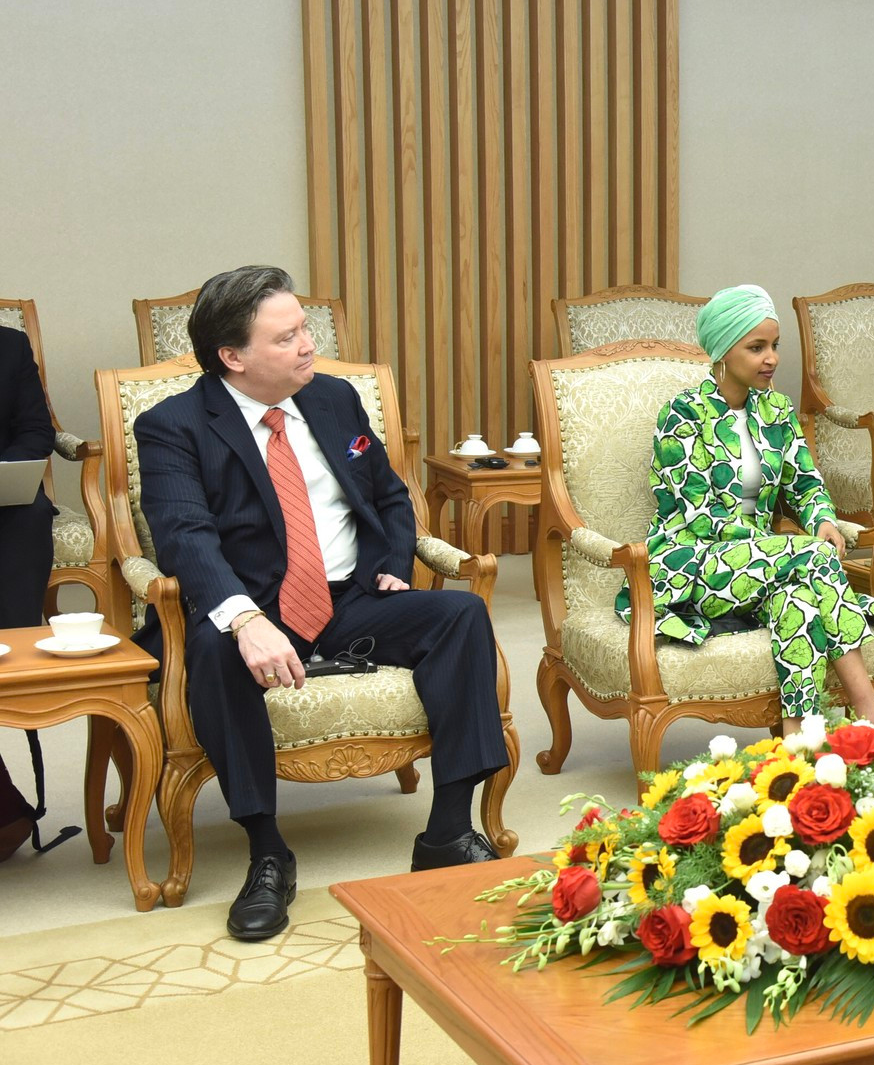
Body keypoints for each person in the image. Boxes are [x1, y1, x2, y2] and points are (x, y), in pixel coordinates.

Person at [135, 266, 511, 942]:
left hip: (350, 600)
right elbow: (184, 538)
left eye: (306, 327)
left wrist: (392, 566)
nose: (309, 344)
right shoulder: (173, 427)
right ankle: (267, 853)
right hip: (253, 605)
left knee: (460, 616)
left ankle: (450, 830)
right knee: (214, 647)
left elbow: (391, 497)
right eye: (287, 337)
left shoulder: (336, 400)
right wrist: (246, 618)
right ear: (233, 356)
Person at [618, 285, 874, 733]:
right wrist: (787, 548)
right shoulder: (682, 415)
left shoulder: (776, 410)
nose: (771, 358)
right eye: (756, 348)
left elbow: (805, 481)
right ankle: (869, 705)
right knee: (810, 557)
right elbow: (700, 515)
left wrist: (822, 520)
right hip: (694, 563)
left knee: (798, 598)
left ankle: (798, 733)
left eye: (774, 346)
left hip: (761, 567)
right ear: (722, 351)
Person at [0, 322, 58, 861]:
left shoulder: (9, 345)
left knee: (30, 515)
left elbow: (36, 431)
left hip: (4, 500)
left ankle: (13, 664)